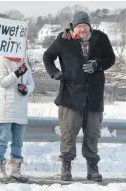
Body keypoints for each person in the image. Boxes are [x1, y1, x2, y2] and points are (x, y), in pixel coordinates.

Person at [43, 11, 115, 182]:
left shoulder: (101, 38)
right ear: (73, 27)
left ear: (89, 26)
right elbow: (47, 56)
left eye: (85, 26)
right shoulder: (64, 39)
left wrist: (98, 64)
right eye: (78, 26)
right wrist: (55, 73)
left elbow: (110, 58)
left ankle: (92, 168)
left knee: (92, 133)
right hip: (70, 95)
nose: (82, 29)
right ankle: (66, 167)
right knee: (68, 132)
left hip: (94, 96)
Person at [0, 56, 35, 183]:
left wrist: (26, 89)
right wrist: (16, 73)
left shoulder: (24, 63)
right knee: (2, 139)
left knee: (18, 141)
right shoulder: (3, 62)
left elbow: (31, 83)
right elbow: (2, 82)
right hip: (6, 107)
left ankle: (15, 170)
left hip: (20, 108)